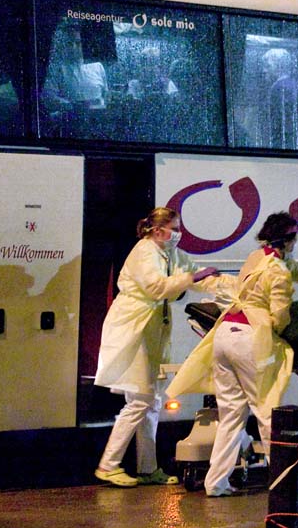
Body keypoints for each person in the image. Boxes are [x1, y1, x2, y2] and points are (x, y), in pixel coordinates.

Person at [166, 212, 298, 497]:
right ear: (289, 240)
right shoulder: (279, 274)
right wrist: (291, 329)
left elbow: (297, 268)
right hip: (250, 341)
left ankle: (216, 483)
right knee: (267, 412)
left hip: (225, 335)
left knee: (231, 415)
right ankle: (283, 482)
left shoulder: (257, 257)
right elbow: (279, 318)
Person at [93, 207, 222, 488]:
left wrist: (229, 285)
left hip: (151, 330)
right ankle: (108, 465)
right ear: (157, 229)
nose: (178, 233)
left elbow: (196, 274)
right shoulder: (144, 252)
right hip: (133, 328)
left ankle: (148, 468)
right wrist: (192, 279)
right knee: (140, 399)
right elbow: (157, 287)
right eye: (174, 228)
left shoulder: (170, 254)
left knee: (151, 402)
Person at [41, 24, 108, 136]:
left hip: (96, 127)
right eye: (69, 43)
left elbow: (105, 95)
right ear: (63, 45)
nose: (73, 47)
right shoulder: (55, 68)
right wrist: (73, 106)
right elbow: (48, 97)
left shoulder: (97, 66)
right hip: (68, 127)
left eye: (78, 43)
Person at [261, 48, 298, 149]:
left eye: (268, 66)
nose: (264, 71)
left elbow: (281, 125)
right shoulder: (295, 85)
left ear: (279, 66)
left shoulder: (279, 88)